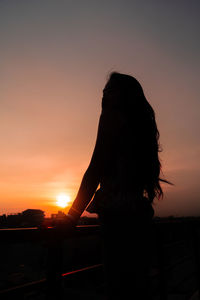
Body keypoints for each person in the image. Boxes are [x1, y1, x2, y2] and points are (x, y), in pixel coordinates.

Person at [65, 72, 171, 299]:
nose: (103, 96)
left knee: (118, 287)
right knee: (137, 285)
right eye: (103, 91)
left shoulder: (112, 117)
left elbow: (95, 168)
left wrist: (72, 216)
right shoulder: (141, 126)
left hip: (118, 217)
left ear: (122, 96)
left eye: (110, 91)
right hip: (139, 216)